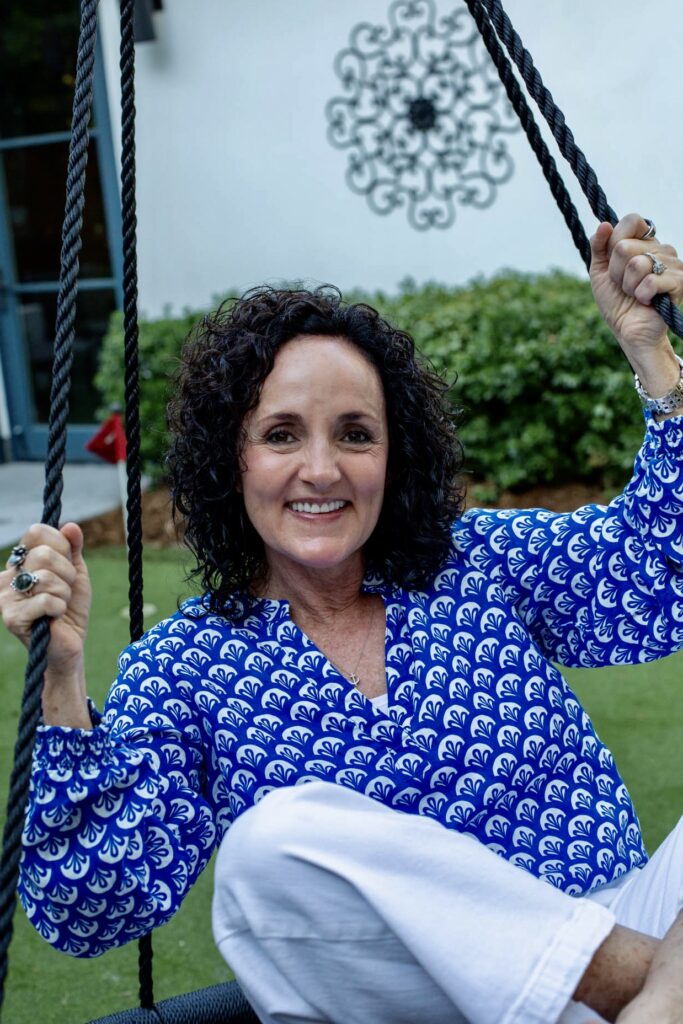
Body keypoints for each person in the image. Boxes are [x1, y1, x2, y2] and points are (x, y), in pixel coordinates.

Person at [2, 214, 683, 1024]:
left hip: (620, 913)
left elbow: (659, 572)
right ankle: (655, 991)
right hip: (410, 1007)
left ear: (395, 456)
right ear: (231, 457)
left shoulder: (475, 564)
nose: (320, 470)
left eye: (355, 434)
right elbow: (93, 908)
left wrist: (653, 354)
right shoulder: (183, 668)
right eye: (281, 434)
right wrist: (61, 680)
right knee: (269, 844)